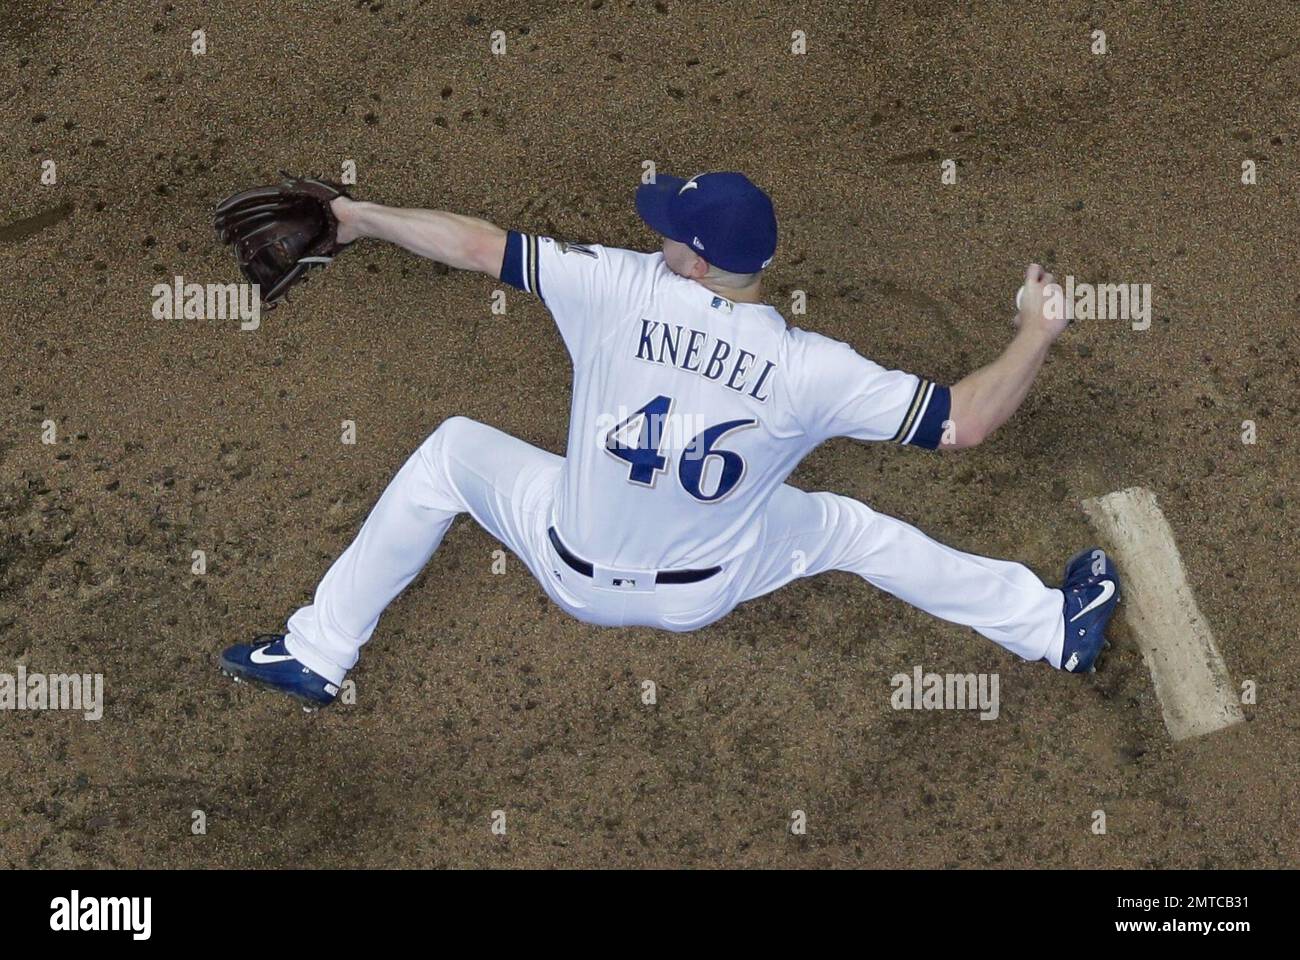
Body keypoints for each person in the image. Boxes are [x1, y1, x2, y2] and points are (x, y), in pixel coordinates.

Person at [219, 171, 1119, 708]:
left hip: (568, 563)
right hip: (704, 592)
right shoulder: (815, 369)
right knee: (855, 532)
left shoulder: (616, 289)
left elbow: (473, 247)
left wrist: (357, 215)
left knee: (452, 453)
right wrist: (1037, 331)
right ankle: (1050, 629)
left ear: (692, 260)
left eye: (666, 236)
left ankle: (315, 653)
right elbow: (962, 421)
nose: (652, 243)